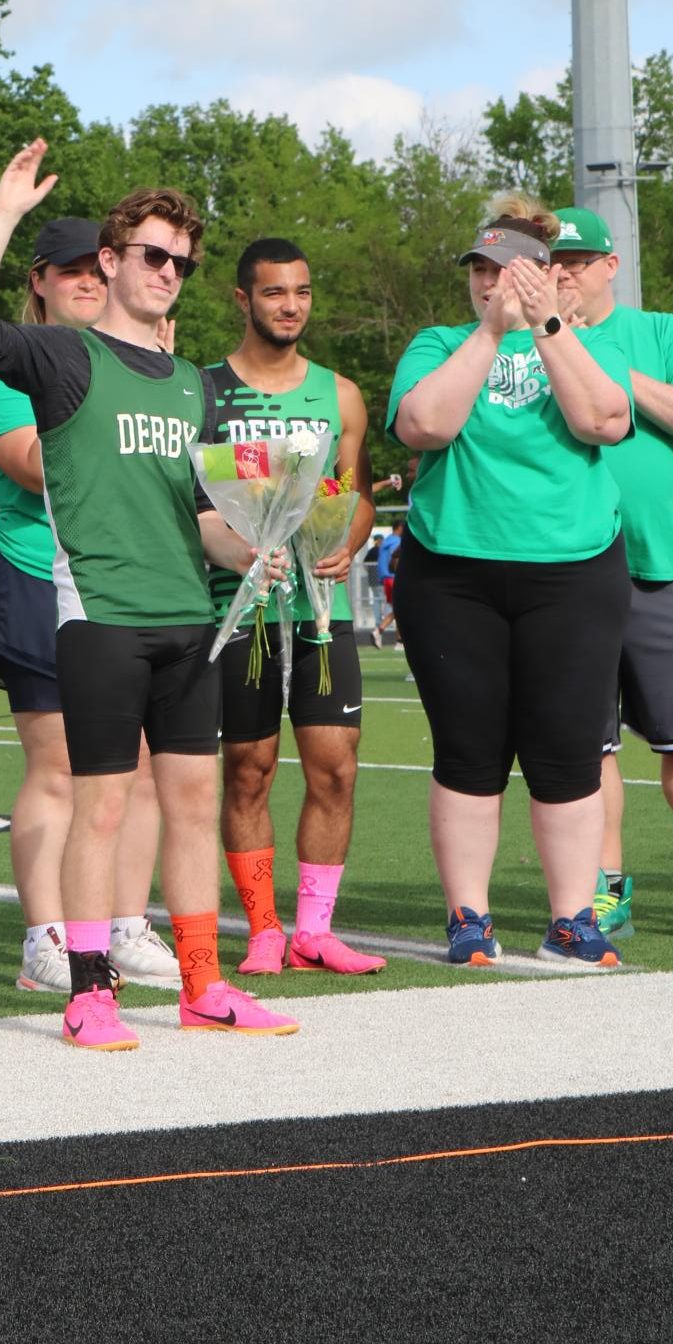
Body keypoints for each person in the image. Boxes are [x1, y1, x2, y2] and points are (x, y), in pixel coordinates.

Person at [0, 140, 298, 1049]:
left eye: (182, 261)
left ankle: (201, 983)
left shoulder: (194, 384)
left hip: (189, 622)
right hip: (100, 619)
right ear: (110, 261)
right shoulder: (63, 357)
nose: (168, 272)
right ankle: (90, 991)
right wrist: (4, 214)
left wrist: (260, 545)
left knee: (186, 804)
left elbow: (208, 517)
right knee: (98, 806)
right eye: (151, 254)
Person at [387, 195, 633, 968]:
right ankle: (469, 916)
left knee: (567, 751)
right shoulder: (439, 342)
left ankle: (571, 920)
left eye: (509, 269)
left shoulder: (584, 339)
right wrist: (493, 332)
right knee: (469, 750)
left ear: (546, 272)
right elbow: (425, 425)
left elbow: (605, 420)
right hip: (454, 572)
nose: (491, 281)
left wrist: (546, 325)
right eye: (480, 270)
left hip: (573, 572)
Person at [0, 214, 180, 997]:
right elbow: (32, 464)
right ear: (39, 280)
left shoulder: (145, 363)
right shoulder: (11, 368)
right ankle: (45, 939)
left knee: (149, 770)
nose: (88, 281)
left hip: (127, 583)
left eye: (99, 267)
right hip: (36, 575)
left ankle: (124, 927)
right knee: (59, 770)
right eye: (69, 271)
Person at [547, 207, 673, 943]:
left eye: (577, 259)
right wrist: (558, 339)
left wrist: (607, 367)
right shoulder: (526, 340)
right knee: (590, 742)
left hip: (661, 565)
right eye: (551, 261)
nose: (562, 272)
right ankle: (604, 888)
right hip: (568, 571)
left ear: (610, 265)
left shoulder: (662, 332)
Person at [204, 237, 385, 978]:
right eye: (275, 293)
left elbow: (360, 493)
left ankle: (315, 929)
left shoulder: (339, 393)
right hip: (238, 609)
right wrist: (239, 549)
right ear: (243, 300)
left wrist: (352, 540)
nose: (291, 306)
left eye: (302, 292)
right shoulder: (204, 391)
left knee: (334, 768)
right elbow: (196, 502)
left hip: (320, 608)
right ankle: (264, 929)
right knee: (249, 769)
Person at [371, 519, 404, 648]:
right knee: (400, 609)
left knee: (398, 609)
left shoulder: (386, 541)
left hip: (386, 579)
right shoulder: (396, 541)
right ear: (399, 528)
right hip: (394, 578)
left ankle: (399, 641)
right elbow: (395, 559)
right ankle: (379, 630)